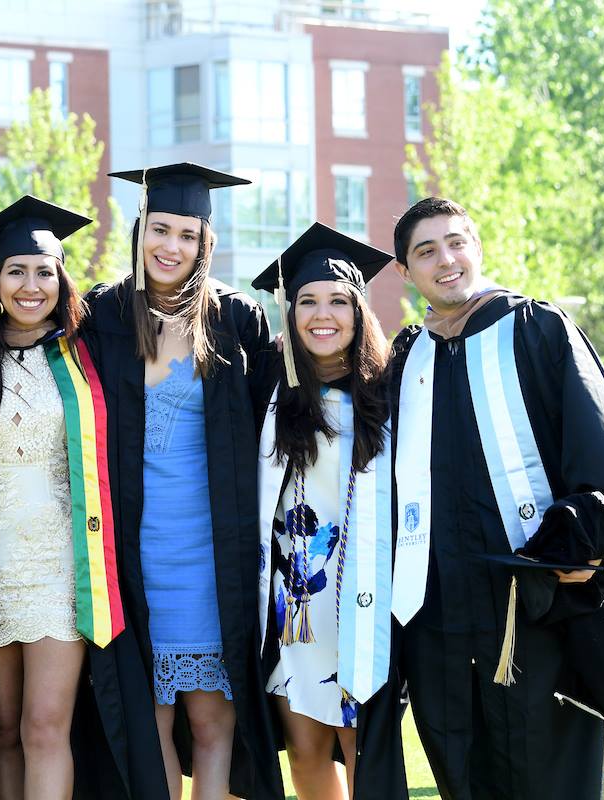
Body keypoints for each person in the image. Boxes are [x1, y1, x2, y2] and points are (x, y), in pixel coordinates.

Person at [388, 197, 604, 800]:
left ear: (476, 247)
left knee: (550, 773)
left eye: (456, 242)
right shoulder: (406, 358)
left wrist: (583, 551)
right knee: (463, 775)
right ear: (405, 271)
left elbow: (597, 449)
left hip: (536, 605)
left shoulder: (537, 329)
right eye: (426, 251)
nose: (446, 260)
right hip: (441, 619)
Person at [82, 163, 283, 800]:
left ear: (206, 243)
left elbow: (274, 422)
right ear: (139, 231)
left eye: (187, 235)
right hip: (132, 551)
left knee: (212, 715)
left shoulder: (237, 321)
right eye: (159, 230)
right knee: (152, 718)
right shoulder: (102, 316)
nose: (171, 247)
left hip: (212, 551)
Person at [0, 195, 125, 799]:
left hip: (62, 570)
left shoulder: (86, 358)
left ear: (61, 279)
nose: (31, 285)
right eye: (16, 271)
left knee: (44, 727)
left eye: (44, 271)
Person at [249, 223, 407, 800]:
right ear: (289, 313)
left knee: (364, 748)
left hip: (366, 598)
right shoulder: (268, 390)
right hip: (294, 605)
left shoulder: (391, 394)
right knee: (309, 754)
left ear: (360, 312)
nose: (323, 314)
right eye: (307, 301)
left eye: (339, 301)